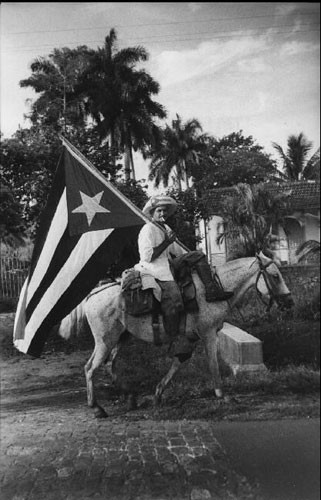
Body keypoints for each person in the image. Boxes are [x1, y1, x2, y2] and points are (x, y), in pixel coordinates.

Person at [135, 195, 233, 340]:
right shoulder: (147, 229)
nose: (163, 214)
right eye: (159, 211)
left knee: (198, 256)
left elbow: (178, 250)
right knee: (174, 298)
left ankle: (211, 291)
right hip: (153, 268)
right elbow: (147, 257)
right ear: (152, 212)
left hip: (166, 265)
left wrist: (198, 261)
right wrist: (166, 243)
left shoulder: (165, 228)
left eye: (165, 211)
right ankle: (173, 337)